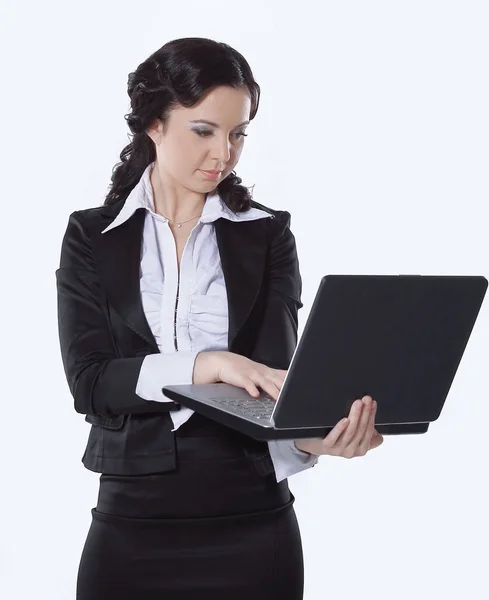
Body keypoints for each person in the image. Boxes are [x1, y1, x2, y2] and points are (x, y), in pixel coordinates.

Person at [56, 37, 384, 600]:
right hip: (132, 523)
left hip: (252, 526)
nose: (224, 154)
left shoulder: (266, 235)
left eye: (238, 134)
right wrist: (205, 363)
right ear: (154, 123)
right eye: (204, 131)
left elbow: (274, 385)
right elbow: (91, 384)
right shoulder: (92, 237)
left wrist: (315, 441)